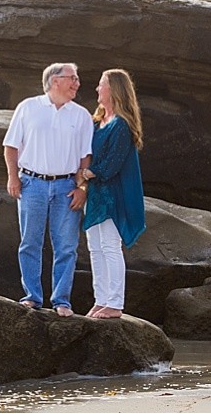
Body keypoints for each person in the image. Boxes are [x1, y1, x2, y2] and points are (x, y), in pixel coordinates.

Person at [3, 63, 94, 317]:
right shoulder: (28, 107)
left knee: (66, 246)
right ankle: (32, 296)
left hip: (67, 185)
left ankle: (61, 300)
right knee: (30, 242)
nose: (77, 83)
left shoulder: (82, 115)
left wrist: (82, 188)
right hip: (32, 183)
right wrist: (13, 178)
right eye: (72, 78)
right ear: (55, 80)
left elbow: (85, 158)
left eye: (77, 78)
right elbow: (11, 146)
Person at [77, 69, 146, 319]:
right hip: (95, 195)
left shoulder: (121, 125)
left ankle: (115, 303)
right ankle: (101, 299)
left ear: (114, 89)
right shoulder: (98, 122)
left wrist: (85, 173)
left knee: (109, 246)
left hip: (113, 195)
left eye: (101, 85)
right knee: (94, 247)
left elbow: (111, 165)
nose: (97, 89)